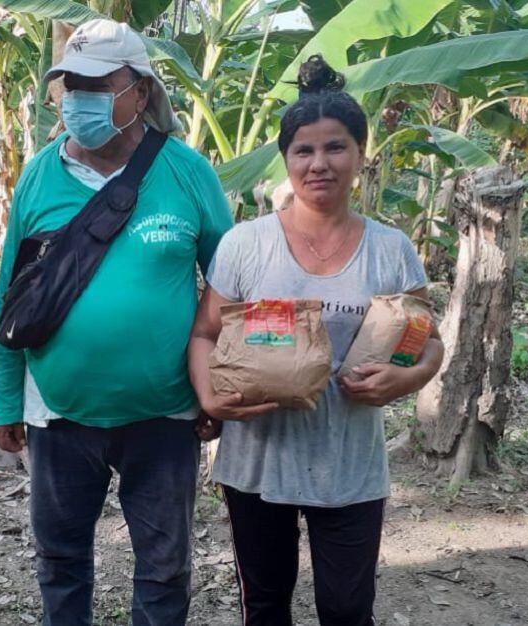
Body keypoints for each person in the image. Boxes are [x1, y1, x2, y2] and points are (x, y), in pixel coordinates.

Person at [0, 18, 234, 626]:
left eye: (97, 84)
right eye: (70, 84)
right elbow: (10, 298)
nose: (80, 98)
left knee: (163, 564)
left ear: (141, 92)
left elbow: (231, 292)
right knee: (61, 560)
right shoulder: (40, 175)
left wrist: (217, 388)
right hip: (58, 412)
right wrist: (2, 400)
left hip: (166, 413)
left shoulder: (187, 173)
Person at [186, 55, 445, 626]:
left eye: (335, 148)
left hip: (350, 462)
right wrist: (208, 398)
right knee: (267, 604)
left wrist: (409, 376)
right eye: (303, 150)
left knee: (348, 608)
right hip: (258, 460)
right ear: (286, 160)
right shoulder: (245, 245)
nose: (319, 163)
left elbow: (428, 341)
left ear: (360, 155)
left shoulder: (390, 248)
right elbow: (205, 334)